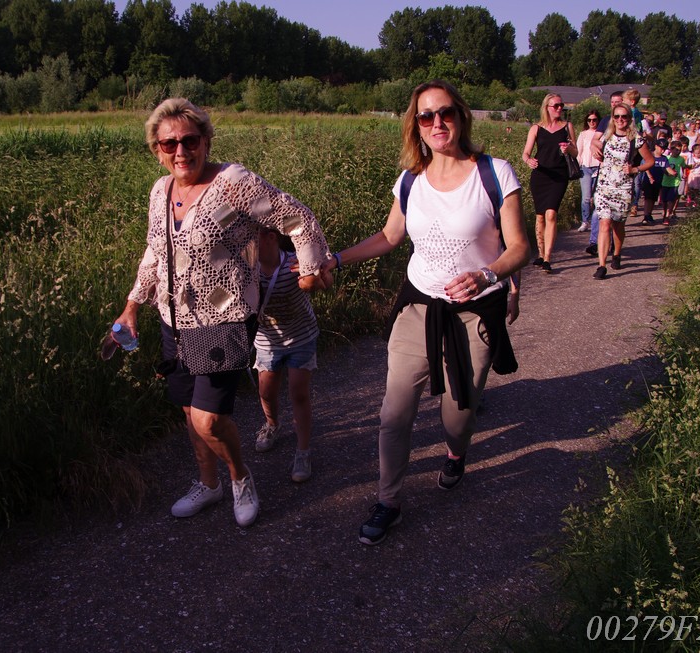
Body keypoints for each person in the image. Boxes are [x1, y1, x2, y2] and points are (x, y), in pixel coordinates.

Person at [323, 81, 529, 546]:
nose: (437, 123)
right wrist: (336, 259)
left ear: (461, 115)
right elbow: (389, 236)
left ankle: (456, 454)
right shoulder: (410, 180)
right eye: (426, 116)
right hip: (418, 307)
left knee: (458, 417)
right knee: (394, 414)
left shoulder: (495, 173)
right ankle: (388, 500)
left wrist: (487, 275)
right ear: (415, 125)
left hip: (473, 313)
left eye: (446, 112)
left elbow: (521, 247)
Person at [113, 98, 332, 527]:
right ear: (157, 151)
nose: (181, 151)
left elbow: (297, 218)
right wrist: (132, 306)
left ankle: (240, 478)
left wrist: (309, 271)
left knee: (209, 419)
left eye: (190, 140)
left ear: (206, 141)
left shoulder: (232, 183)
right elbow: (155, 252)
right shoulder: (160, 191)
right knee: (188, 411)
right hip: (173, 319)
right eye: (169, 144)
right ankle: (208, 483)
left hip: (223, 316)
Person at [251, 227, 318, 483]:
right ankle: (272, 425)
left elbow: (324, 281)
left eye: (252, 237)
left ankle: (303, 451)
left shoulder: (295, 262)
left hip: (301, 337)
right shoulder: (247, 269)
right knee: (266, 391)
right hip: (267, 341)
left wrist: (312, 276)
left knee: (298, 393)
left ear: (271, 237)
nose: (246, 242)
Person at [591, 104, 654, 280]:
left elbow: (650, 161)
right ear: (612, 118)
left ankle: (617, 253)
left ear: (629, 118)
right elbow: (594, 142)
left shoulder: (636, 139)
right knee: (604, 223)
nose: (620, 120)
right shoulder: (607, 135)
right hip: (604, 186)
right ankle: (601, 265)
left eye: (624, 116)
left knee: (618, 225)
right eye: (617, 116)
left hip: (623, 188)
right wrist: (594, 149)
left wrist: (635, 169)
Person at [522, 93, 576, 273]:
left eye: (561, 105)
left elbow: (576, 152)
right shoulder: (536, 128)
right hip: (540, 175)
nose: (560, 108)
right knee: (540, 216)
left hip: (559, 175)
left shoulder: (567, 127)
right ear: (547, 107)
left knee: (551, 214)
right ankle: (540, 253)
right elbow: (526, 153)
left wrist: (569, 149)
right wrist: (529, 160)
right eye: (556, 106)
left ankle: (547, 258)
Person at [576, 110, 603, 238]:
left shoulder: (602, 134)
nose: (592, 122)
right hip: (586, 168)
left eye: (594, 120)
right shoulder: (583, 134)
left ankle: (597, 221)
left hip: (599, 167)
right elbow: (578, 151)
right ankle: (585, 221)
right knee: (586, 197)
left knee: (597, 197)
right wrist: (580, 163)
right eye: (589, 120)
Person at [640, 139, 669, 225]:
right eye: (661, 148)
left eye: (664, 149)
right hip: (648, 180)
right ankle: (645, 216)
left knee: (653, 199)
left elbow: (666, 169)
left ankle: (649, 214)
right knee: (647, 198)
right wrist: (650, 176)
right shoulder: (650, 155)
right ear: (656, 146)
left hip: (658, 180)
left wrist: (671, 173)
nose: (662, 151)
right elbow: (645, 166)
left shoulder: (664, 158)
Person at [661, 140, 685, 225]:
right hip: (665, 182)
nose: (678, 152)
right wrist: (667, 173)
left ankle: (667, 215)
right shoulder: (666, 158)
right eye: (676, 150)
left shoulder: (681, 159)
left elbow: (683, 166)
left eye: (680, 150)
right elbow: (663, 168)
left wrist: (684, 173)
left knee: (671, 200)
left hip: (675, 182)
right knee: (664, 201)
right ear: (671, 149)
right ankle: (664, 213)